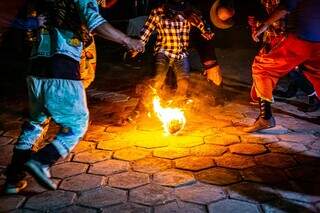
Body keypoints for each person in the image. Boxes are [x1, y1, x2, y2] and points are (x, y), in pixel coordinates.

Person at [4, 0, 144, 194]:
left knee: (35, 123)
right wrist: (128, 40)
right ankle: (42, 161)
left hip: (36, 69)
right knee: (78, 123)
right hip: (62, 69)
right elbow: (96, 22)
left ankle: (13, 179)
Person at [243, 0, 320, 133]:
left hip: (302, 39)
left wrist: (265, 24)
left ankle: (265, 118)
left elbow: (286, 7)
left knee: (262, 67)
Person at [137, 0, 213, 106]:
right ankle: (139, 110)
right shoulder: (158, 12)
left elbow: (202, 23)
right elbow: (147, 30)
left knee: (184, 83)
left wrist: (206, 31)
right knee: (157, 81)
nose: (179, 11)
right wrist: (138, 45)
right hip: (163, 51)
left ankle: (175, 110)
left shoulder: (188, 12)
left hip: (181, 54)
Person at [190, 0, 235, 105]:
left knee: (212, 66)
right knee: (211, 65)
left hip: (204, 37)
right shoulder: (202, 11)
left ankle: (217, 95)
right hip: (196, 33)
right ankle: (217, 95)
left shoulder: (218, 21)